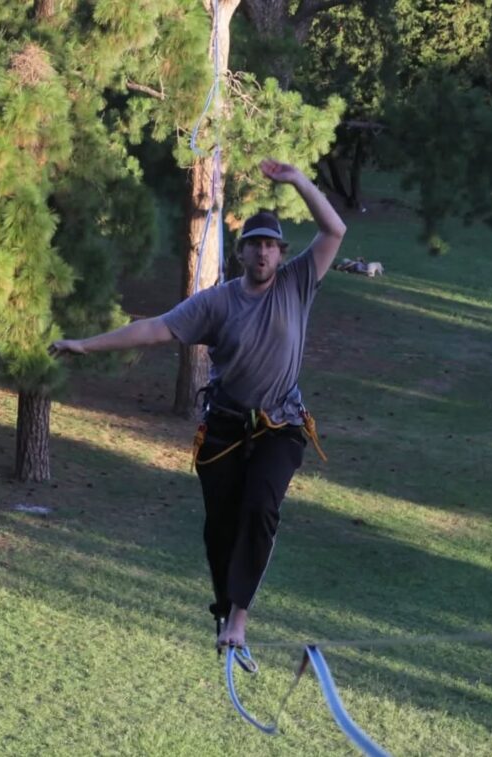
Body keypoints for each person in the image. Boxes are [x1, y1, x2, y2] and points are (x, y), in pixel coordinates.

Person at [49, 160, 346, 649]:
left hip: (281, 425)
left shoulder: (297, 284)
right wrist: (86, 344)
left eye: (272, 245)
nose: (265, 253)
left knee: (259, 508)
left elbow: (335, 229)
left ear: (280, 253)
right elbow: (155, 328)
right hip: (225, 428)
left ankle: (239, 619)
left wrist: (297, 181)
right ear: (243, 252)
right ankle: (224, 608)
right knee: (219, 528)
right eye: (256, 245)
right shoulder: (217, 303)